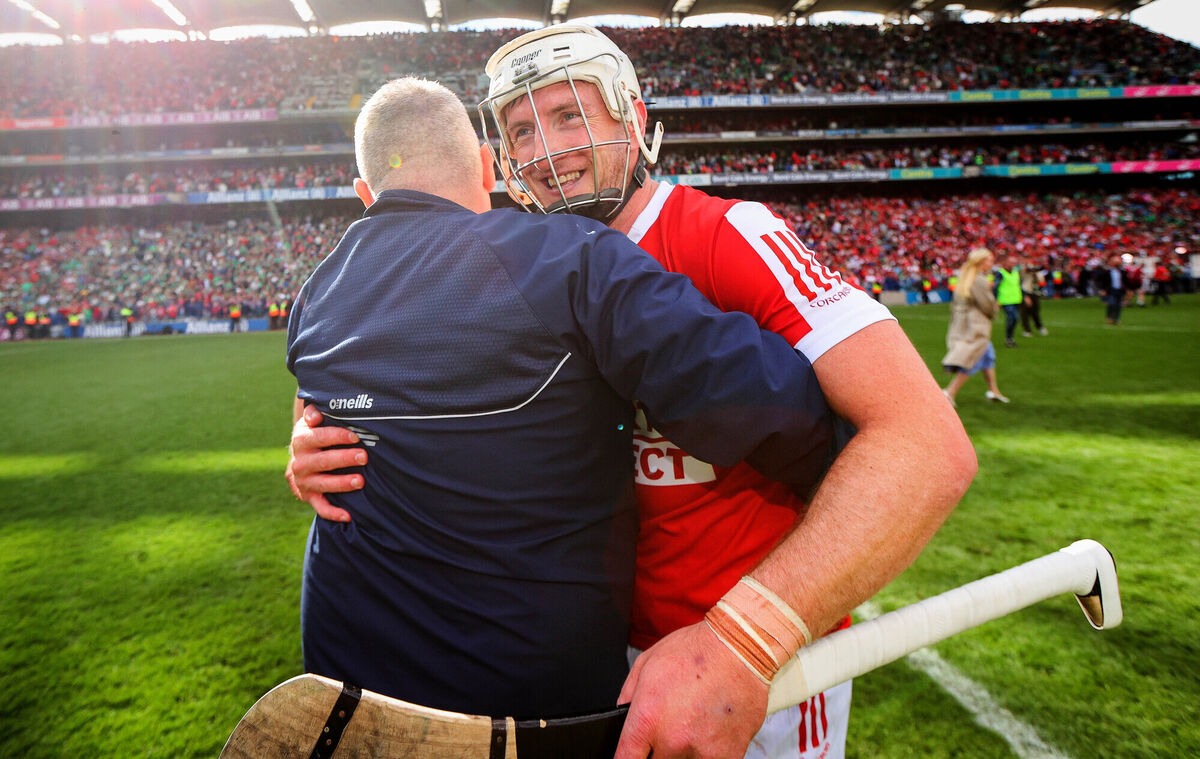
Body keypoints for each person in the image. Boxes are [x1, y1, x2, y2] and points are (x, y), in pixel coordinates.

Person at [292, 24, 975, 759]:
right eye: (522, 128)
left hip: (743, 663)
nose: (547, 148)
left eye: (569, 114)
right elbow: (388, 377)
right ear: (498, 158)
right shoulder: (513, 263)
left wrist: (746, 637)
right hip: (603, 671)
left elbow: (923, 444)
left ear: (635, 117)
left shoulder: (731, 235)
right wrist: (317, 440)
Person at [942, 248, 1010, 405]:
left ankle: (993, 391)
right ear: (981, 262)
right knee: (975, 358)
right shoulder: (978, 280)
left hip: (965, 323)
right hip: (976, 325)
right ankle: (950, 391)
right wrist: (995, 308)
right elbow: (986, 304)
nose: (992, 263)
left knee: (988, 357)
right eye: (989, 260)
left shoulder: (964, 277)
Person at [994, 251, 1022, 347]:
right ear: (1006, 263)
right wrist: (996, 300)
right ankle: (1009, 339)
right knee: (1013, 318)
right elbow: (995, 287)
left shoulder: (1015, 272)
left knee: (1014, 319)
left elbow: (1018, 285)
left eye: (1015, 263)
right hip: (1005, 300)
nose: (1014, 265)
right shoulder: (1000, 273)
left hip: (1016, 299)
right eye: (1012, 263)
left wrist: (1024, 296)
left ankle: (1010, 338)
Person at [1019, 254, 1048, 337]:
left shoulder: (1035, 270)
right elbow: (1020, 276)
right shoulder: (1021, 269)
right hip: (1025, 291)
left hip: (1035, 293)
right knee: (1024, 313)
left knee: (1035, 312)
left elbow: (1041, 281)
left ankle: (1040, 327)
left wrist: (1035, 273)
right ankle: (1027, 330)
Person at [1098, 254, 1129, 325]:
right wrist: (1103, 290)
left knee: (1118, 306)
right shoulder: (1107, 272)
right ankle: (1109, 317)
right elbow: (1102, 281)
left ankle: (1116, 319)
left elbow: (1126, 282)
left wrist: (1127, 290)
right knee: (1111, 304)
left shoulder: (1122, 272)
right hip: (1111, 290)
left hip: (1119, 290)